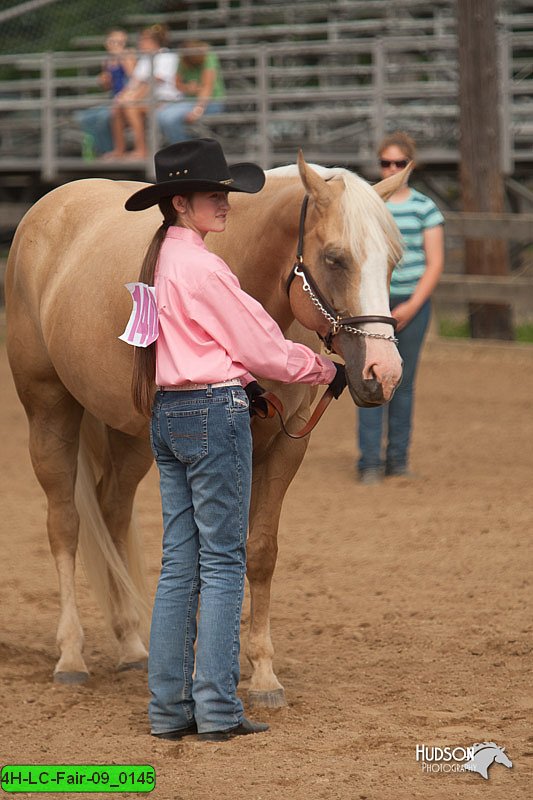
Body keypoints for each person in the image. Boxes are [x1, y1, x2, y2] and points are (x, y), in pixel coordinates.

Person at [123, 138, 346, 742]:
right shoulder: (205, 267)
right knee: (223, 564)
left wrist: (245, 380)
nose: (224, 203)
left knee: (179, 565)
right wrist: (321, 367)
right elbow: (259, 345)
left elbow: (176, 344)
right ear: (178, 204)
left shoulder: (161, 262)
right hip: (212, 414)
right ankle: (218, 708)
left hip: (169, 414)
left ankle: (169, 709)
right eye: (211, 195)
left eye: (224, 192)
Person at [357, 131, 444, 484]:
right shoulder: (366, 205)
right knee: (367, 381)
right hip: (373, 307)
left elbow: (434, 263)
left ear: (410, 166)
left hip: (412, 304)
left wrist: (411, 306)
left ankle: (397, 458)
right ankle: (369, 463)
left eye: (398, 163)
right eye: (385, 163)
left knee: (403, 384)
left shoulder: (425, 208)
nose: (390, 169)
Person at [115, 24, 180, 159]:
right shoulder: (144, 59)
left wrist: (133, 97)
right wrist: (123, 95)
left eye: (143, 40)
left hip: (165, 100)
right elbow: (135, 81)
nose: (140, 43)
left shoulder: (168, 56)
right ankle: (119, 150)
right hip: (146, 99)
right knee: (117, 108)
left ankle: (141, 150)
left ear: (154, 41)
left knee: (131, 107)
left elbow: (156, 79)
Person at [75, 29, 136, 158]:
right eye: (114, 42)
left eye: (121, 42)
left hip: (127, 101)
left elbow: (134, 81)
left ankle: (112, 151)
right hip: (113, 100)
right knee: (85, 118)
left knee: (103, 118)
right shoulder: (107, 61)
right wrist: (104, 81)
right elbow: (108, 88)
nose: (117, 45)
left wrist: (123, 59)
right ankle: (103, 150)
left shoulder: (127, 56)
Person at [157, 40, 225, 144]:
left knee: (170, 119)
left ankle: (184, 150)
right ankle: (184, 146)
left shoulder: (208, 56)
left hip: (210, 102)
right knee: (160, 115)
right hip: (188, 101)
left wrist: (197, 110)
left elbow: (207, 87)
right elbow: (177, 84)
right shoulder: (184, 57)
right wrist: (188, 88)